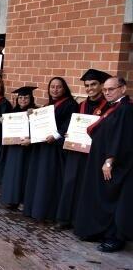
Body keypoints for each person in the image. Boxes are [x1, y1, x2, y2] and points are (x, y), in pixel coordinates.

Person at [74, 77, 132, 253]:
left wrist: (109, 160)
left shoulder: (126, 109)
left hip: (115, 164)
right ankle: (101, 231)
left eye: (111, 89)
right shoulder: (114, 107)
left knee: (113, 200)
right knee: (101, 197)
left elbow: (123, 137)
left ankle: (115, 238)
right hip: (100, 159)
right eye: (105, 89)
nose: (107, 92)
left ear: (123, 89)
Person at [55, 69, 111, 230]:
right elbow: (68, 126)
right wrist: (67, 133)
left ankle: (81, 221)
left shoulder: (108, 107)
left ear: (101, 85)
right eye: (86, 85)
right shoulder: (80, 106)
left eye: (93, 84)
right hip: (76, 151)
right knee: (70, 183)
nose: (89, 88)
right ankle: (64, 219)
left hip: (94, 153)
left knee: (87, 186)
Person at [23, 77, 78, 222]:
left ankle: (47, 212)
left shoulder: (71, 104)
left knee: (48, 181)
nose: (55, 89)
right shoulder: (48, 105)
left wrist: (55, 136)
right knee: (38, 179)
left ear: (64, 88)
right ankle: (34, 209)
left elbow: (68, 125)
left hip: (54, 150)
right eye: (52, 87)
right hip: (42, 147)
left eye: (58, 87)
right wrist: (32, 116)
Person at [0, 86, 37, 210]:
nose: (23, 100)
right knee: (13, 174)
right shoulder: (12, 112)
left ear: (31, 98)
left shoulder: (35, 111)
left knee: (24, 175)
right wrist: (2, 122)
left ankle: (23, 200)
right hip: (13, 148)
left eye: (26, 97)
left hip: (27, 148)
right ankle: (12, 199)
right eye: (20, 97)